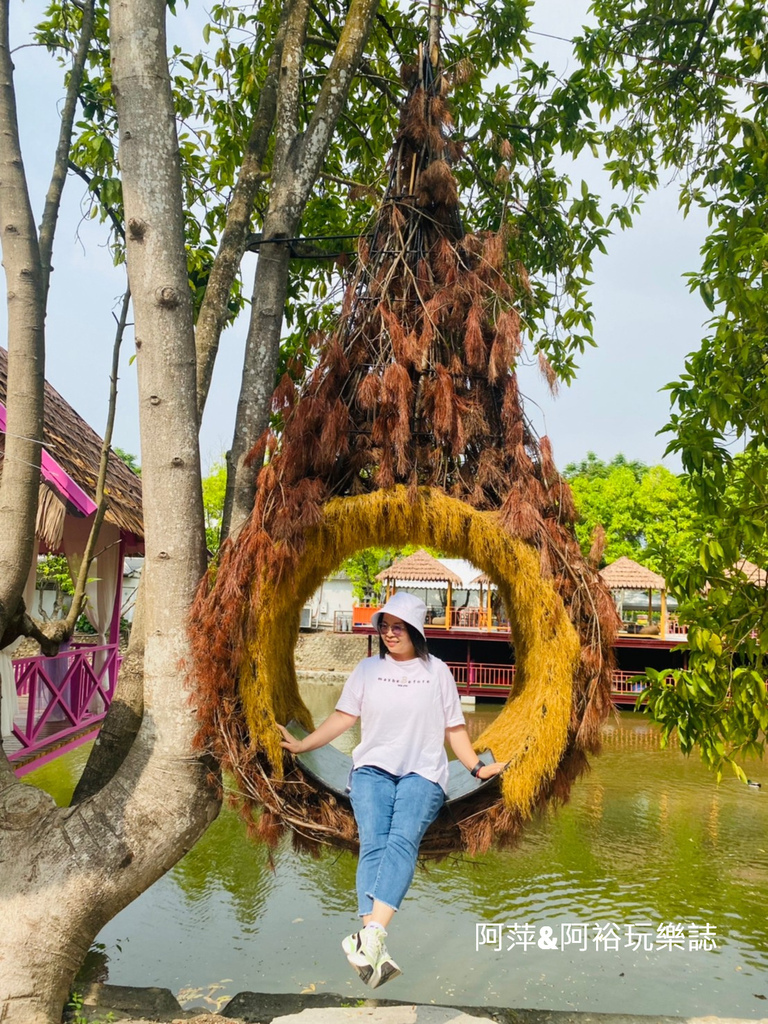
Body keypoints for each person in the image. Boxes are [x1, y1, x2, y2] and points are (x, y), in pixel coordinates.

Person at [277, 591, 506, 989]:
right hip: (371, 772)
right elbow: (343, 718)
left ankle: (369, 939)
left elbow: (455, 729)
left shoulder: (437, 673)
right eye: (385, 625)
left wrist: (476, 767)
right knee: (375, 844)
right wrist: (303, 745)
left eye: (398, 626)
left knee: (402, 840)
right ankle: (372, 943)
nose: (389, 632)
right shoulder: (367, 670)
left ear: (415, 630)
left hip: (424, 773)